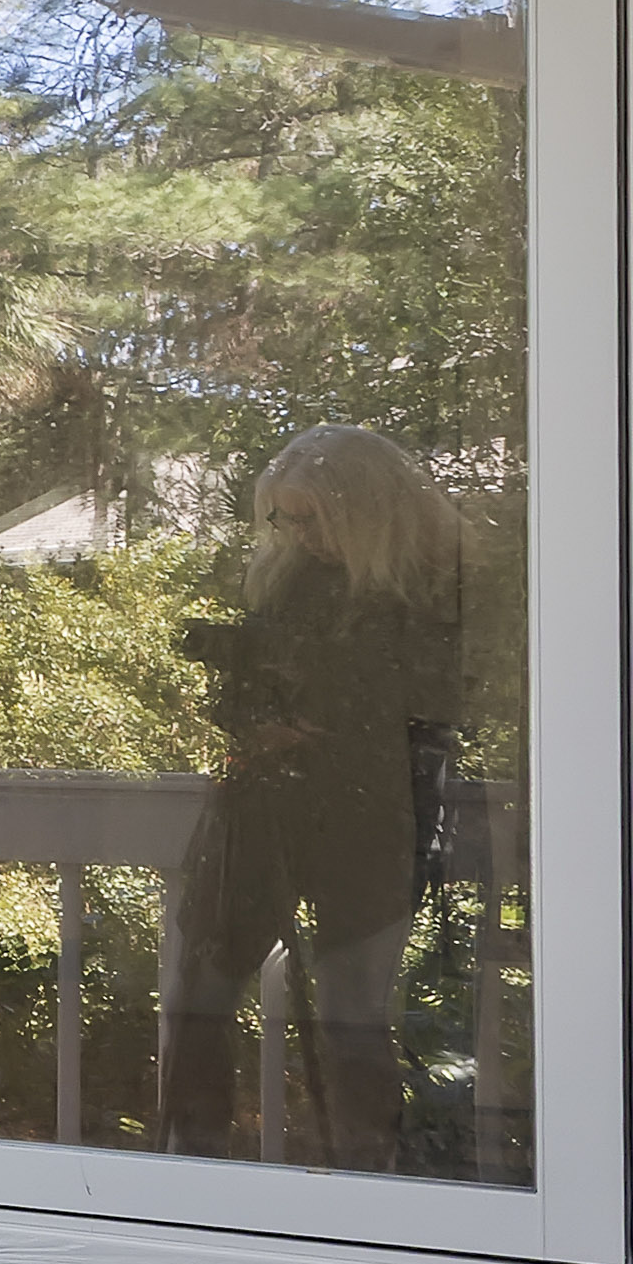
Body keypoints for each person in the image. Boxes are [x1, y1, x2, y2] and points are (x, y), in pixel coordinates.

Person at [161, 424, 471, 1167]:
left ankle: (366, 1180)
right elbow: (262, 688)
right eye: (285, 519)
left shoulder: (430, 586)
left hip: (371, 815)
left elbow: (419, 710)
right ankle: (193, 1169)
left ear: (367, 512)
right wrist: (255, 716)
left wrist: (317, 723)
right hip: (262, 803)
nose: (297, 533)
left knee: (352, 1014)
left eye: (313, 518)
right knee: (198, 992)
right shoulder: (289, 578)